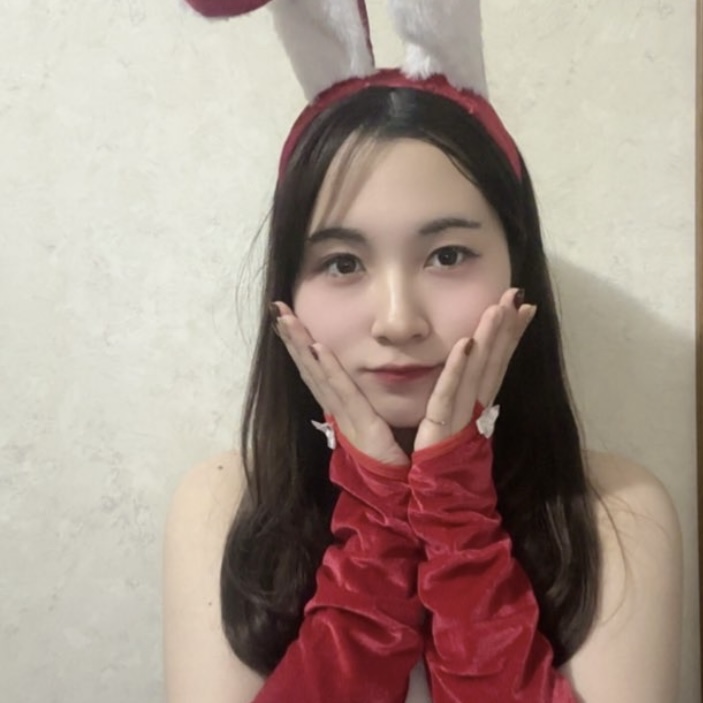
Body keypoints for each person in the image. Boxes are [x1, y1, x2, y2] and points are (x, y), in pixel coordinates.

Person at [163, 2, 683, 701]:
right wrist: (376, 530)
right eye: (342, 263)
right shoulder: (223, 506)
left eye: (447, 255)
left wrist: (457, 516)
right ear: (287, 291)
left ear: (517, 271)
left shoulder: (615, 515)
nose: (399, 320)